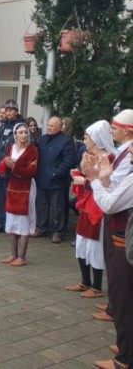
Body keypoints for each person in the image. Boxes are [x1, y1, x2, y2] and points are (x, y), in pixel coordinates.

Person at [85, 144, 133, 369]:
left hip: (126, 243)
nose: (130, 151)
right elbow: (115, 193)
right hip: (122, 239)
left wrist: (95, 179)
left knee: (124, 299)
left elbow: (110, 204)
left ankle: (125, 360)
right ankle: (127, 348)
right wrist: (105, 179)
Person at [65, 120, 114, 298]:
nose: (85, 140)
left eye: (87, 137)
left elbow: (107, 183)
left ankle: (97, 286)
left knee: (95, 246)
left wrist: (84, 180)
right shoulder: (88, 155)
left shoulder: (108, 158)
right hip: (87, 205)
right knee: (82, 243)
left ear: (95, 138)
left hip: (97, 207)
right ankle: (85, 281)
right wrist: (78, 174)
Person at [0, 123, 39, 266]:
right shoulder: (11, 148)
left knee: (23, 223)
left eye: (26, 132)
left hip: (25, 188)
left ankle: (22, 256)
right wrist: (6, 166)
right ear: (15, 135)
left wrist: (15, 167)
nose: (24, 135)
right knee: (12, 221)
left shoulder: (32, 150)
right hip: (12, 187)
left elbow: (31, 172)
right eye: (20, 132)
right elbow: (8, 172)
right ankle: (13, 254)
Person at [35, 116, 76, 243]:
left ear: (59, 127)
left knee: (58, 208)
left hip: (57, 180)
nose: (49, 128)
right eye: (48, 125)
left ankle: (58, 231)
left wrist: (56, 174)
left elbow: (69, 161)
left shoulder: (66, 141)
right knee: (41, 205)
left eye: (52, 126)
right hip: (42, 178)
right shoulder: (42, 139)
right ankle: (41, 227)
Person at [0, 100, 23, 233]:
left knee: (10, 197)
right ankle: (1, 222)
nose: (8, 112)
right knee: (0, 198)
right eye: (6, 110)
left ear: (16, 111)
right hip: (0, 167)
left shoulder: (20, 126)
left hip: (11, 168)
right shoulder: (3, 126)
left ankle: (11, 224)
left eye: (10, 110)